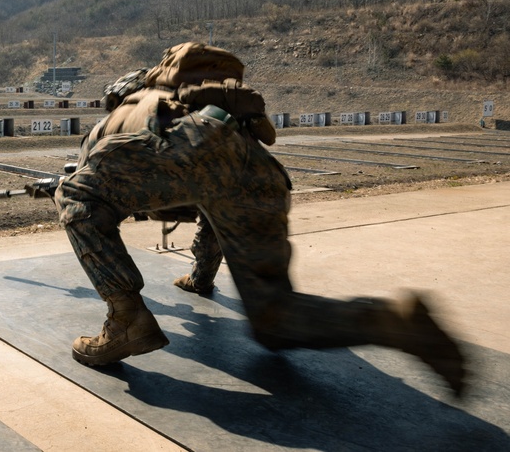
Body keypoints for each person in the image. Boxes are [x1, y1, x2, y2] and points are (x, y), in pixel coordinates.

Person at [50, 42, 467, 396]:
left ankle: (125, 320)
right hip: (258, 168)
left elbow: (92, 190)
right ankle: (397, 322)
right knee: (275, 321)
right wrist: (201, 279)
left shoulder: (123, 114)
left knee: (72, 193)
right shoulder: (208, 110)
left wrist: (71, 181)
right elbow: (209, 197)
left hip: (194, 153)